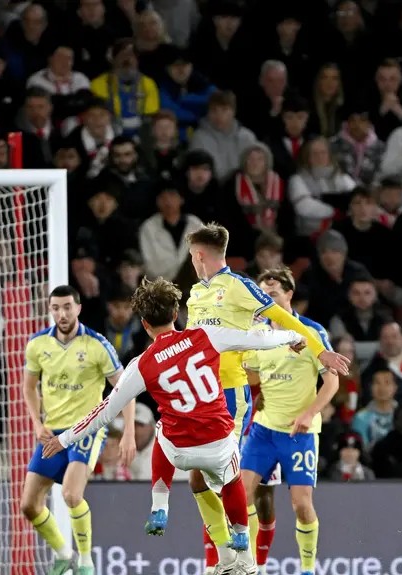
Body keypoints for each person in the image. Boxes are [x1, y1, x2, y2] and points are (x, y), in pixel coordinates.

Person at [43, 277, 308, 575]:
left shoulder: (142, 364)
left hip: (180, 452)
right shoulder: (206, 335)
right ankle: (243, 549)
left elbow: (105, 411)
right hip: (218, 445)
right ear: (175, 313)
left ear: (145, 324)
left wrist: (64, 439)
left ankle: (163, 506)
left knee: (164, 432)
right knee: (232, 479)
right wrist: (292, 336)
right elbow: (258, 339)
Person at [146, 224, 350, 573]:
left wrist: (320, 351)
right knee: (198, 480)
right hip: (203, 394)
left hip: (231, 396)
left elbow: (281, 317)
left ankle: (245, 563)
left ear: (198, 255)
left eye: (191, 256)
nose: (191, 261)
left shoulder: (238, 286)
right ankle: (222, 559)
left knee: (227, 479)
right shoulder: (195, 294)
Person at [20, 284, 136, 575]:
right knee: (29, 506)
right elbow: (29, 387)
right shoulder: (37, 344)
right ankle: (64, 554)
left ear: (78, 308)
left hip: (86, 429)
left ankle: (85, 561)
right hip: (52, 432)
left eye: (67, 307)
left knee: (71, 495)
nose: (62, 314)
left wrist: (129, 432)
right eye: (56, 308)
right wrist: (36, 422)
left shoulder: (97, 345)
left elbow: (125, 388)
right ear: (50, 310)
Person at [240, 268, 339, 575]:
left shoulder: (311, 332)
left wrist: (309, 413)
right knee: (241, 495)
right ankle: (250, 567)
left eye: (273, 294)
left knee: (301, 505)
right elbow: (250, 372)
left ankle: (307, 569)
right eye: (262, 295)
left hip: (300, 433)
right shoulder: (257, 335)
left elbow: (332, 382)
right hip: (264, 429)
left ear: (289, 295)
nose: (266, 301)